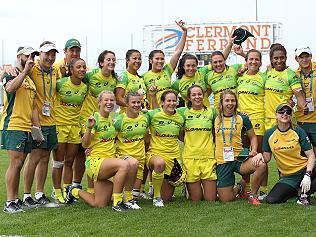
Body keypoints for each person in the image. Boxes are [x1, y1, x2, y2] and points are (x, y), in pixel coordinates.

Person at [66, 91, 138, 211]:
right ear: (99, 102)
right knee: (124, 165)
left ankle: (73, 191)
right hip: (96, 163)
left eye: (112, 100)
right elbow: (85, 144)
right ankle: (118, 202)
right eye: (106, 100)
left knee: (98, 203)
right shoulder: (95, 118)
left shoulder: (111, 119)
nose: (109, 103)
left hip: (110, 161)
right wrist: (89, 128)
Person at [0, 47, 41, 213]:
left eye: (33, 55)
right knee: (15, 163)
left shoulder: (30, 80)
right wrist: (23, 72)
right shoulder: (11, 73)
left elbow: (33, 107)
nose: (30, 58)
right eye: (27, 55)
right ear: (19, 56)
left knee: (20, 163)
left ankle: (16, 199)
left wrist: (37, 129)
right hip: (13, 125)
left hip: (26, 127)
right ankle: (9, 202)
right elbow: (10, 89)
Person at [22, 41, 59, 207]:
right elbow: (18, 72)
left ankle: (39, 193)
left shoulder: (55, 71)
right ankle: (26, 195)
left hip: (51, 120)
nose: (50, 58)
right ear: (39, 55)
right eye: (47, 54)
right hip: (36, 121)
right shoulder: (32, 69)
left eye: (53, 54)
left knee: (45, 158)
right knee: (34, 158)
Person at [76, 50, 118, 194]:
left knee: (100, 150)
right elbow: (76, 75)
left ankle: (99, 187)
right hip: (89, 118)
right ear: (101, 63)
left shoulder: (114, 79)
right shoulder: (90, 75)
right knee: (89, 151)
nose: (111, 62)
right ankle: (90, 190)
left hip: (104, 118)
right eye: (108, 60)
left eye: (113, 60)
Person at [215, 90, 266, 204]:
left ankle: (252, 195)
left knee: (261, 165)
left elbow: (253, 137)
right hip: (223, 161)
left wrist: (254, 150)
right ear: (221, 103)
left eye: (233, 100)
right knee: (225, 199)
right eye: (227, 100)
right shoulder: (214, 117)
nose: (230, 103)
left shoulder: (243, 118)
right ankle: (240, 187)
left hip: (239, 159)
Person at [260, 104, 316, 205]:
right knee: (271, 199)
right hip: (288, 177)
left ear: (291, 116)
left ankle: (304, 196)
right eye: (281, 112)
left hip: (304, 169)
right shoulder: (269, 134)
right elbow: (266, 158)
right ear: (276, 115)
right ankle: (297, 190)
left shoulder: (298, 131)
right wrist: (258, 155)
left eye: (288, 112)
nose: (285, 114)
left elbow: (311, 156)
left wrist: (308, 174)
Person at [52, 58, 87, 203]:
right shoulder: (60, 84)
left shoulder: (85, 87)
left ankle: (67, 191)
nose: (82, 69)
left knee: (70, 161)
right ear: (71, 70)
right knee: (58, 162)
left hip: (74, 127)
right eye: (78, 67)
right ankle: (57, 191)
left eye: (84, 67)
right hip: (60, 126)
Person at [236, 49, 268, 199]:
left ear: (260, 62)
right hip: (241, 122)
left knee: (259, 156)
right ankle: (246, 188)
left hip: (258, 121)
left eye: (256, 59)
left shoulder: (264, 77)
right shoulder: (239, 77)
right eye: (251, 59)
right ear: (246, 61)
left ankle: (263, 189)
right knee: (244, 155)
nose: (253, 62)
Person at [177, 85, 217, 201]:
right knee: (196, 200)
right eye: (193, 95)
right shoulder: (183, 113)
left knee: (210, 199)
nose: (197, 97)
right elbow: (180, 134)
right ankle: (188, 189)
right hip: (190, 157)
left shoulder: (211, 112)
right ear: (189, 98)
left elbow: (216, 133)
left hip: (208, 157)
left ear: (204, 95)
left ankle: (238, 188)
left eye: (199, 94)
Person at [146, 90, 184, 206]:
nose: (172, 103)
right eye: (169, 101)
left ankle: (156, 188)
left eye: (174, 101)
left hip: (173, 157)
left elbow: (182, 137)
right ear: (162, 102)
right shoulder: (152, 115)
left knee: (167, 198)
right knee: (159, 163)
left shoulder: (180, 118)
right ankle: (156, 197)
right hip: (155, 154)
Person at [114, 92, 152, 204]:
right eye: (133, 102)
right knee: (114, 198)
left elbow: (147, 139)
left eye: (138, 102)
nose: (136, 105)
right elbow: (110, 139)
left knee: (134, 197)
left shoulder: (145, 119)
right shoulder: (119, 120)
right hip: (124, 162)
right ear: (126, 103)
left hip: (140, 161)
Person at [143, 20, 187, 108]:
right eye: (157, 59)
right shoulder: (144, 76)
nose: (160, 61)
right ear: (151, 61)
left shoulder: (167, 70)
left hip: (168, 112)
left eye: (162, 59)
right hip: (154, 113)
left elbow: (178, 52)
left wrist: (185, 32)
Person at [264, 44, 306, 131]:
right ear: (271, 59)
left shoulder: (291, 75)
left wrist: (303, 106)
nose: (279, 61)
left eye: (282, 57)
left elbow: (299, 95)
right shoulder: (268, 73)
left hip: (285, 119)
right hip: (268, 121)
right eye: (276, 58)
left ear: (286, 58)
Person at [205, 38, 245, 108]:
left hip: (236, 109)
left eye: (220, 61)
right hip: (218, 112)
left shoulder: (234, 68)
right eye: (215, 62)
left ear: (225, 60)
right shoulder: (208, 76)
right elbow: (206, 95)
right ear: (211, 63)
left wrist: (242, 54)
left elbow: (251, 64)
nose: (218, 64)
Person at [294, 46, 316, 154]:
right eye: (301, 57)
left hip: (315, 120)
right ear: (296, 59)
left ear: (311, 56)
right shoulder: (294, 75)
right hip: (301, 120)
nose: (304, 59)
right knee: (303, 154)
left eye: (306, 56)